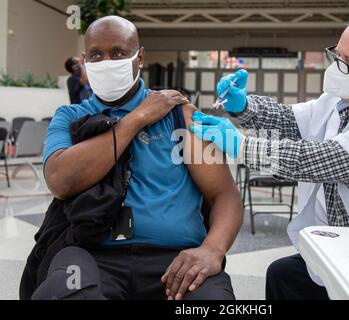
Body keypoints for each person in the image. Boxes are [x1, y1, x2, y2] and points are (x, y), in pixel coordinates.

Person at [190, 10, 349, 299]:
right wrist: (243, 107)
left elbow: (324, 160)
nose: (337, 68)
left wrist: (241, 146)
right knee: (284, 276)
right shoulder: (345, 99)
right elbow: (292, 121)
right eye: (336, 56)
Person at [39, 16, 243, 300]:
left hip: (176, 258)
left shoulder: (178, 114)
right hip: (93, 257)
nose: (107, 61)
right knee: (68, 292)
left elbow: (225, 195)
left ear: (140, 57)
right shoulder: (70, 117)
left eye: (119, 53)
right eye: (96, 55)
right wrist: (138, 118)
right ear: (85, 61)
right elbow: (60, 180)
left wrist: (212, 249)